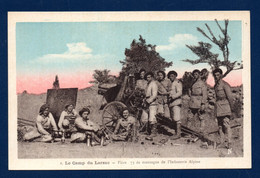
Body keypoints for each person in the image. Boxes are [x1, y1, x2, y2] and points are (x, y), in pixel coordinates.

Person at [213, 68, 234, 149]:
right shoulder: (215, 86)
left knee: (226, 125)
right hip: (218, 107)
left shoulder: (225, 85)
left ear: (221, 75)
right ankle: (222, 142)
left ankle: (229, 143)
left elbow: (230, 97)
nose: (216, 77)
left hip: (225, 106)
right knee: (220, 126)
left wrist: (232, 109)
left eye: (218, 75)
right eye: (215, 75)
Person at [143, 72, 158, 140]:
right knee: (145, 117)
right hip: (147, 102)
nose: (147, 78)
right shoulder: (147, 84)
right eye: (147, 77)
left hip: (152, 103)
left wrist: (148, 101)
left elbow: (154, 95)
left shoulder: (154, 84)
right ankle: (147, 131)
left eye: (149, 77)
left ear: (152, 77)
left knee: (152, 118)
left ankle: (153, 133)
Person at [167, 71, 183, 140]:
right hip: (171, 103)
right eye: (170, 76)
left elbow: (179, 93)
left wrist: (173, 97)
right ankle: (176, 133)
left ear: (175, 76)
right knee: (173, 118)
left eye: (172, 76)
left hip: (176, 102)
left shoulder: (178, 83)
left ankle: (178, 134)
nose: (171, 77)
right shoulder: (170, 83)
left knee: (177, 118)